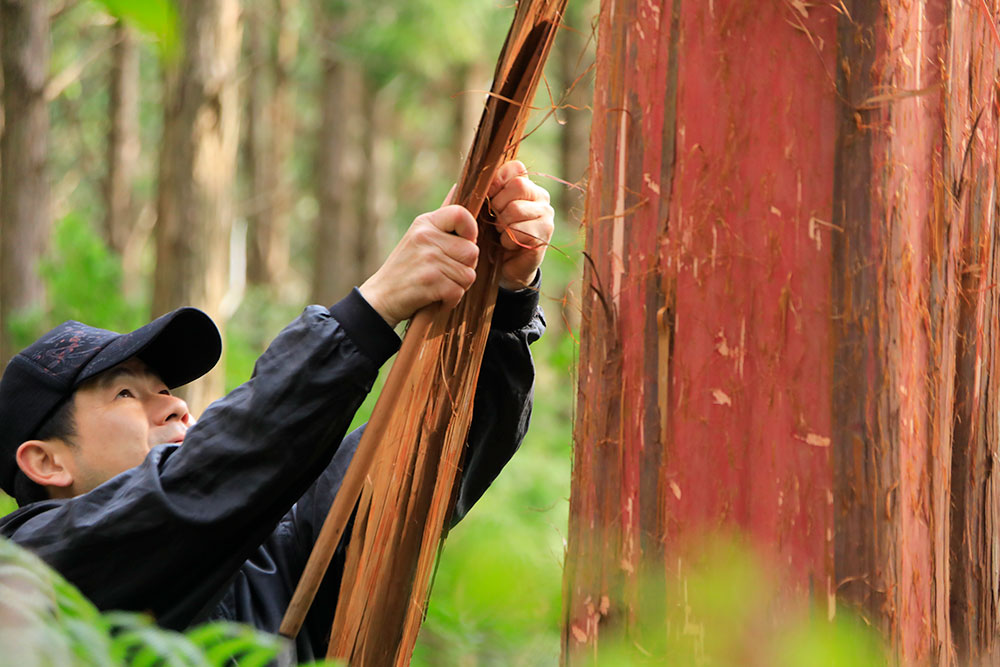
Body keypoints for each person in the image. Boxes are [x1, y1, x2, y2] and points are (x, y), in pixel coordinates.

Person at [0, 160, 554, 661]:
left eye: (166, 388)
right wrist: (373, 309)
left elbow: (416, 460)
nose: (173, 405)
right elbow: (196, 484)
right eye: (125, 393)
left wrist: (502, 301)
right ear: (46, 462)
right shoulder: (28, 572)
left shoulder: (275, 557)